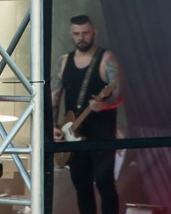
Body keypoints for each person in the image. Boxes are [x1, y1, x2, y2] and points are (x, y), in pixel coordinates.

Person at [51, 15, 124, 214]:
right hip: (73, 135)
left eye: (85, 33)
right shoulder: (64, 62)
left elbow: (119, 94)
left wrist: (104, 105)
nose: (81, 38)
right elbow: (54, 96)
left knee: (105, 183)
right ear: (71, 34)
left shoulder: (107, 59)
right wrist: (52, 126)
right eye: (76, 34)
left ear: (94, 33)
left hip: (102, 136)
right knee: (82, 187)